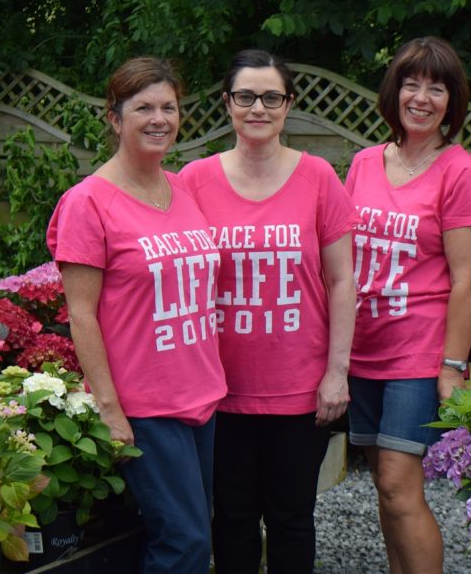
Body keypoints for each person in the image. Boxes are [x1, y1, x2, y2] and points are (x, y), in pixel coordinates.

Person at [178, 49, 357, 574]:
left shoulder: (319, 177)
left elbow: (342, 280)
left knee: (292, 518)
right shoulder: (192, 180)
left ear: (288, 105)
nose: (258, 107)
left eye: (271, 97)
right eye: (246, 96)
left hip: (300, 391)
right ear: (228, 104)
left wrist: (337, 373)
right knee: (230, 518)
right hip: (219, 388)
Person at [47, 57, 227, 574]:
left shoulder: (183, 188)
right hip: (145, 405)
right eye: (143, 107)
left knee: (192, 534)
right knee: (184, 543)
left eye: (168, 107)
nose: (159, 118)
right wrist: (109, 408)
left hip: (201, 394)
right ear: (113, 116)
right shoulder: (88, 203)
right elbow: (81, 315)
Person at [345, 37, 471, 574]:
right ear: (394, 91)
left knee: (401, 484)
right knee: (385, 486)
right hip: (363, 350)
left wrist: (453, 366)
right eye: (412, 83)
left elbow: (467, 277)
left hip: (418, 353)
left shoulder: (459, 172)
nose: (422, 97)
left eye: (437, 87)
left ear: (452, 100)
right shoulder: (362, 163)